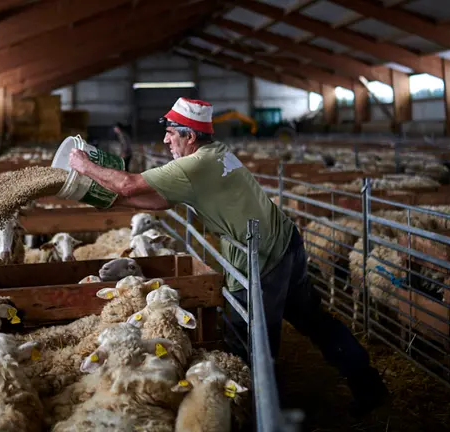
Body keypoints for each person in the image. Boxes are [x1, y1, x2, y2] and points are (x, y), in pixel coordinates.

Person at [68, 97, 388, 416]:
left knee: (247, 338)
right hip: (285, 242)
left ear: (189, 136)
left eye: (171, 132)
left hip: (260, 258)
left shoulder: (195, 164)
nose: (165, 138)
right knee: (314, 320)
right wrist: (109, 203)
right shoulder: (214, 154)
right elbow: (159, 201)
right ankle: (370, 387)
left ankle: (260, 412)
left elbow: (128, 184)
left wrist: (85, 167)